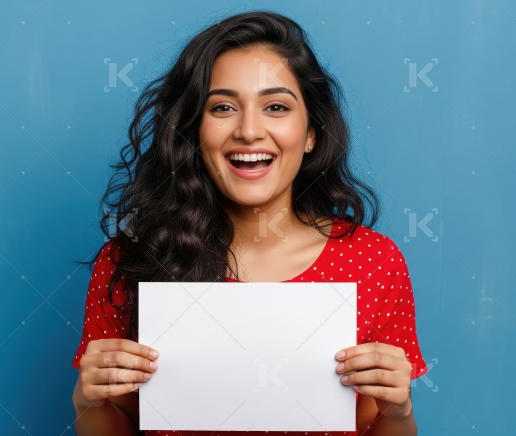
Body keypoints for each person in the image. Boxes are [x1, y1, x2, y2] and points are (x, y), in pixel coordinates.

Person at [70, 10, 428, 435]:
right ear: (193, 129)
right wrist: (86, 400)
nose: (249, 130)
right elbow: (116, 422)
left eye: (276, 107)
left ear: (311, 132)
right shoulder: (132, 260)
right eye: (223, 107)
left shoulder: (375, 261)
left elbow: (382, 423)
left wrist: (399, 411)